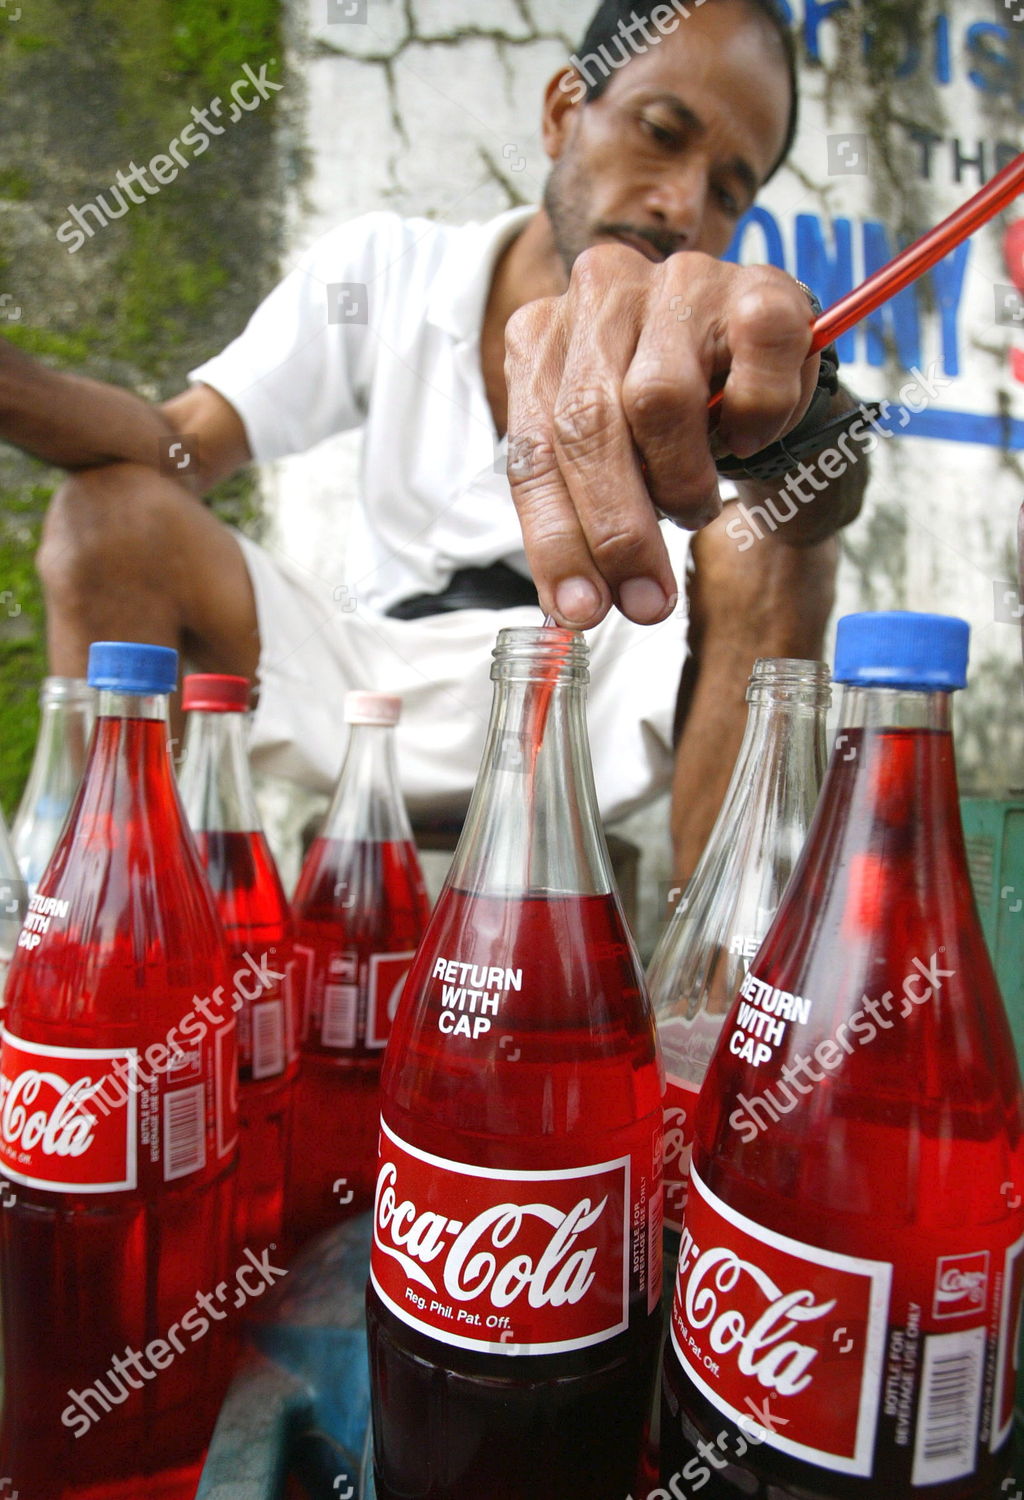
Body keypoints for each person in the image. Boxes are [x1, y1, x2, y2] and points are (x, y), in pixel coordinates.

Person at [0, 0, 865, 879]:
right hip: (371, 684)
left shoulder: (714, 346)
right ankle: (106, 921)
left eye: (727, 191)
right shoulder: (386, 270)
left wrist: (801, 404)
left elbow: (822, 494)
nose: (681, 205)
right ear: (564, 109)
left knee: (777, 534)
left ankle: (719, 975)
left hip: (592, 692)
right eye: (659, 131)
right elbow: (178, 444)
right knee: (107, 518)